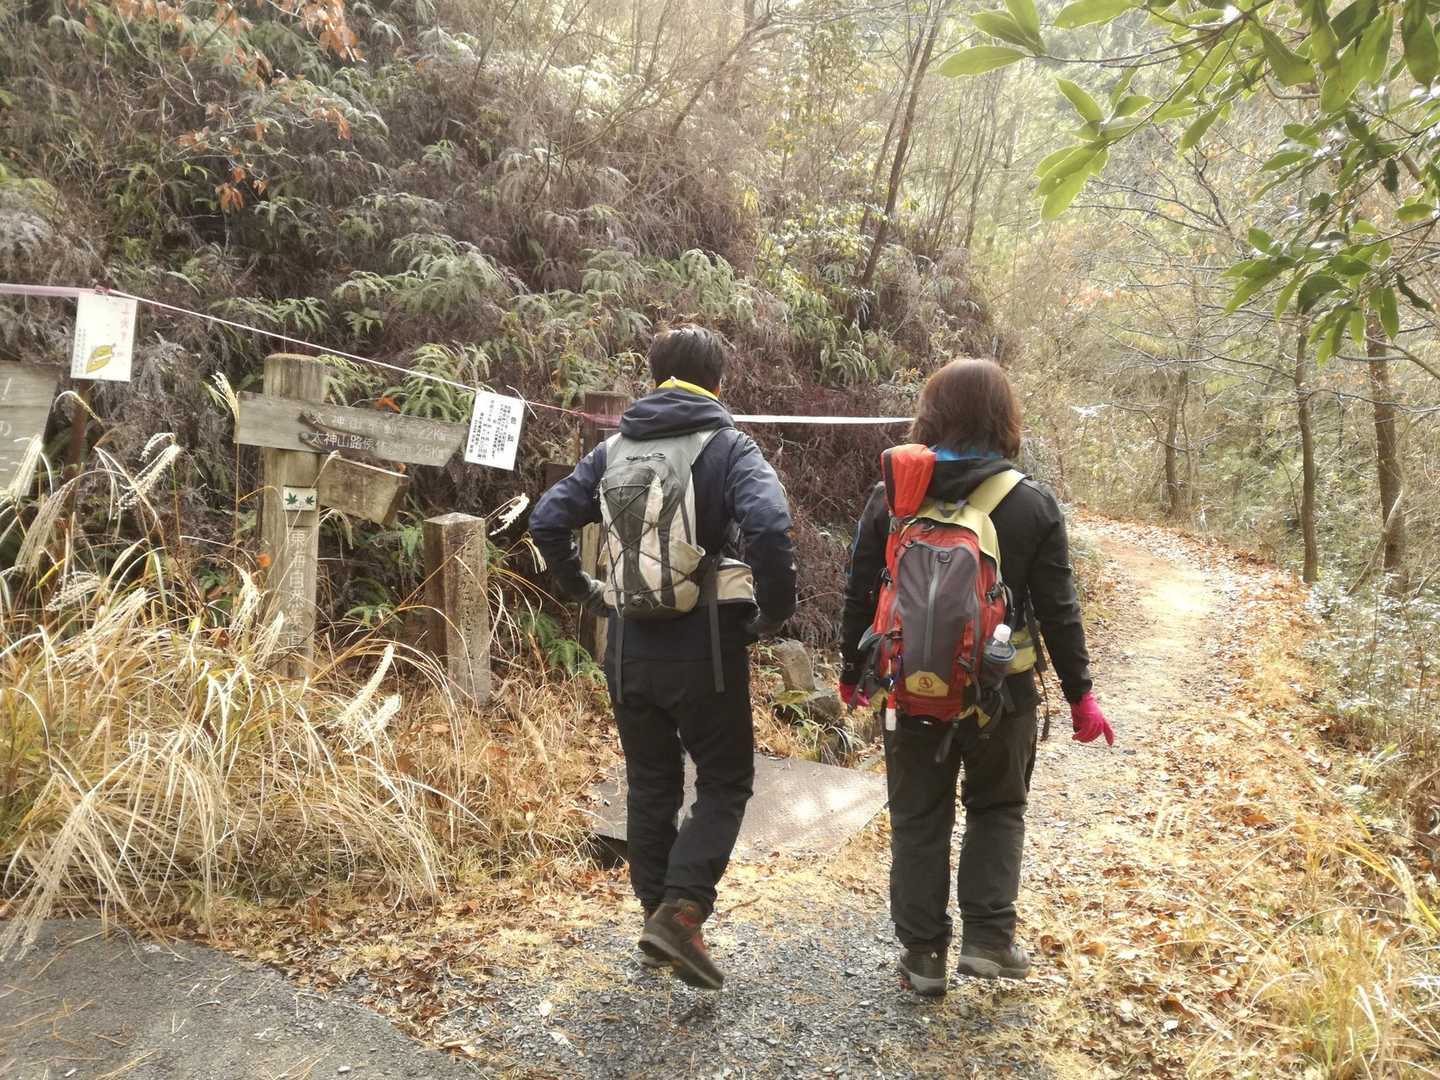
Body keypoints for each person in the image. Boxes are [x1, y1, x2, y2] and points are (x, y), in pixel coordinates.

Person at [530, 325, 797, 991]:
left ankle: (658, 919)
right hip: (705, 646)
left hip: (627, 646)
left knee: (650, 783)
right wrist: (773, 612)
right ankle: (679, 915)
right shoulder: (729, 446)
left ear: (653, 379)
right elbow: (769, 525)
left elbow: (546, 519)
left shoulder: (613, 449)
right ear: (718, 383)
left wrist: (586, 591)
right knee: (726, 780)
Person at [838, 357, 1113, 997]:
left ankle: (923, 957)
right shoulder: (1030, 503)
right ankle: (988, 940)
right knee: (997, 807)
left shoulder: (893, 495)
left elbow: (861, 592)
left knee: (917, 816)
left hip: (909, 692)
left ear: (931, 415)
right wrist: (1081, 696)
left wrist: (852, 672)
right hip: (1003, 691)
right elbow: (1060, 609)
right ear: (1003, 418)